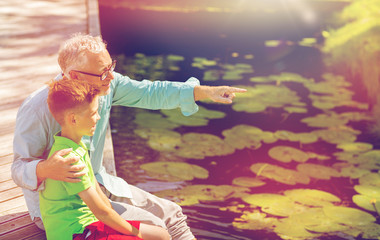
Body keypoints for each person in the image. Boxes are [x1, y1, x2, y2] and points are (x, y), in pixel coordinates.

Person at [12, 33, 246, 240]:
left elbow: (152, 92)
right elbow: (18, 168)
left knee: (173, 215)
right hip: (64, 211)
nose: (111, 78)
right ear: (73, 76)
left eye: (111, 67)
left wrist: (205, 92)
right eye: (103, 73)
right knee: (155, 227)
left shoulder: (105, 85)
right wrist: (46, 169)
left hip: (98, 184)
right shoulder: (36, 109)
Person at [42, 79, 170, 240]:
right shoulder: (69, 159)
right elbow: (101, 212)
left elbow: (100, 196)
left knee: (162, 235)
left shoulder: (77, 145)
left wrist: (121, 225)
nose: (98, 117)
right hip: (76, 233)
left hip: (90, 224)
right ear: (73, 119)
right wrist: (137, 234)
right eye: (93, 113)